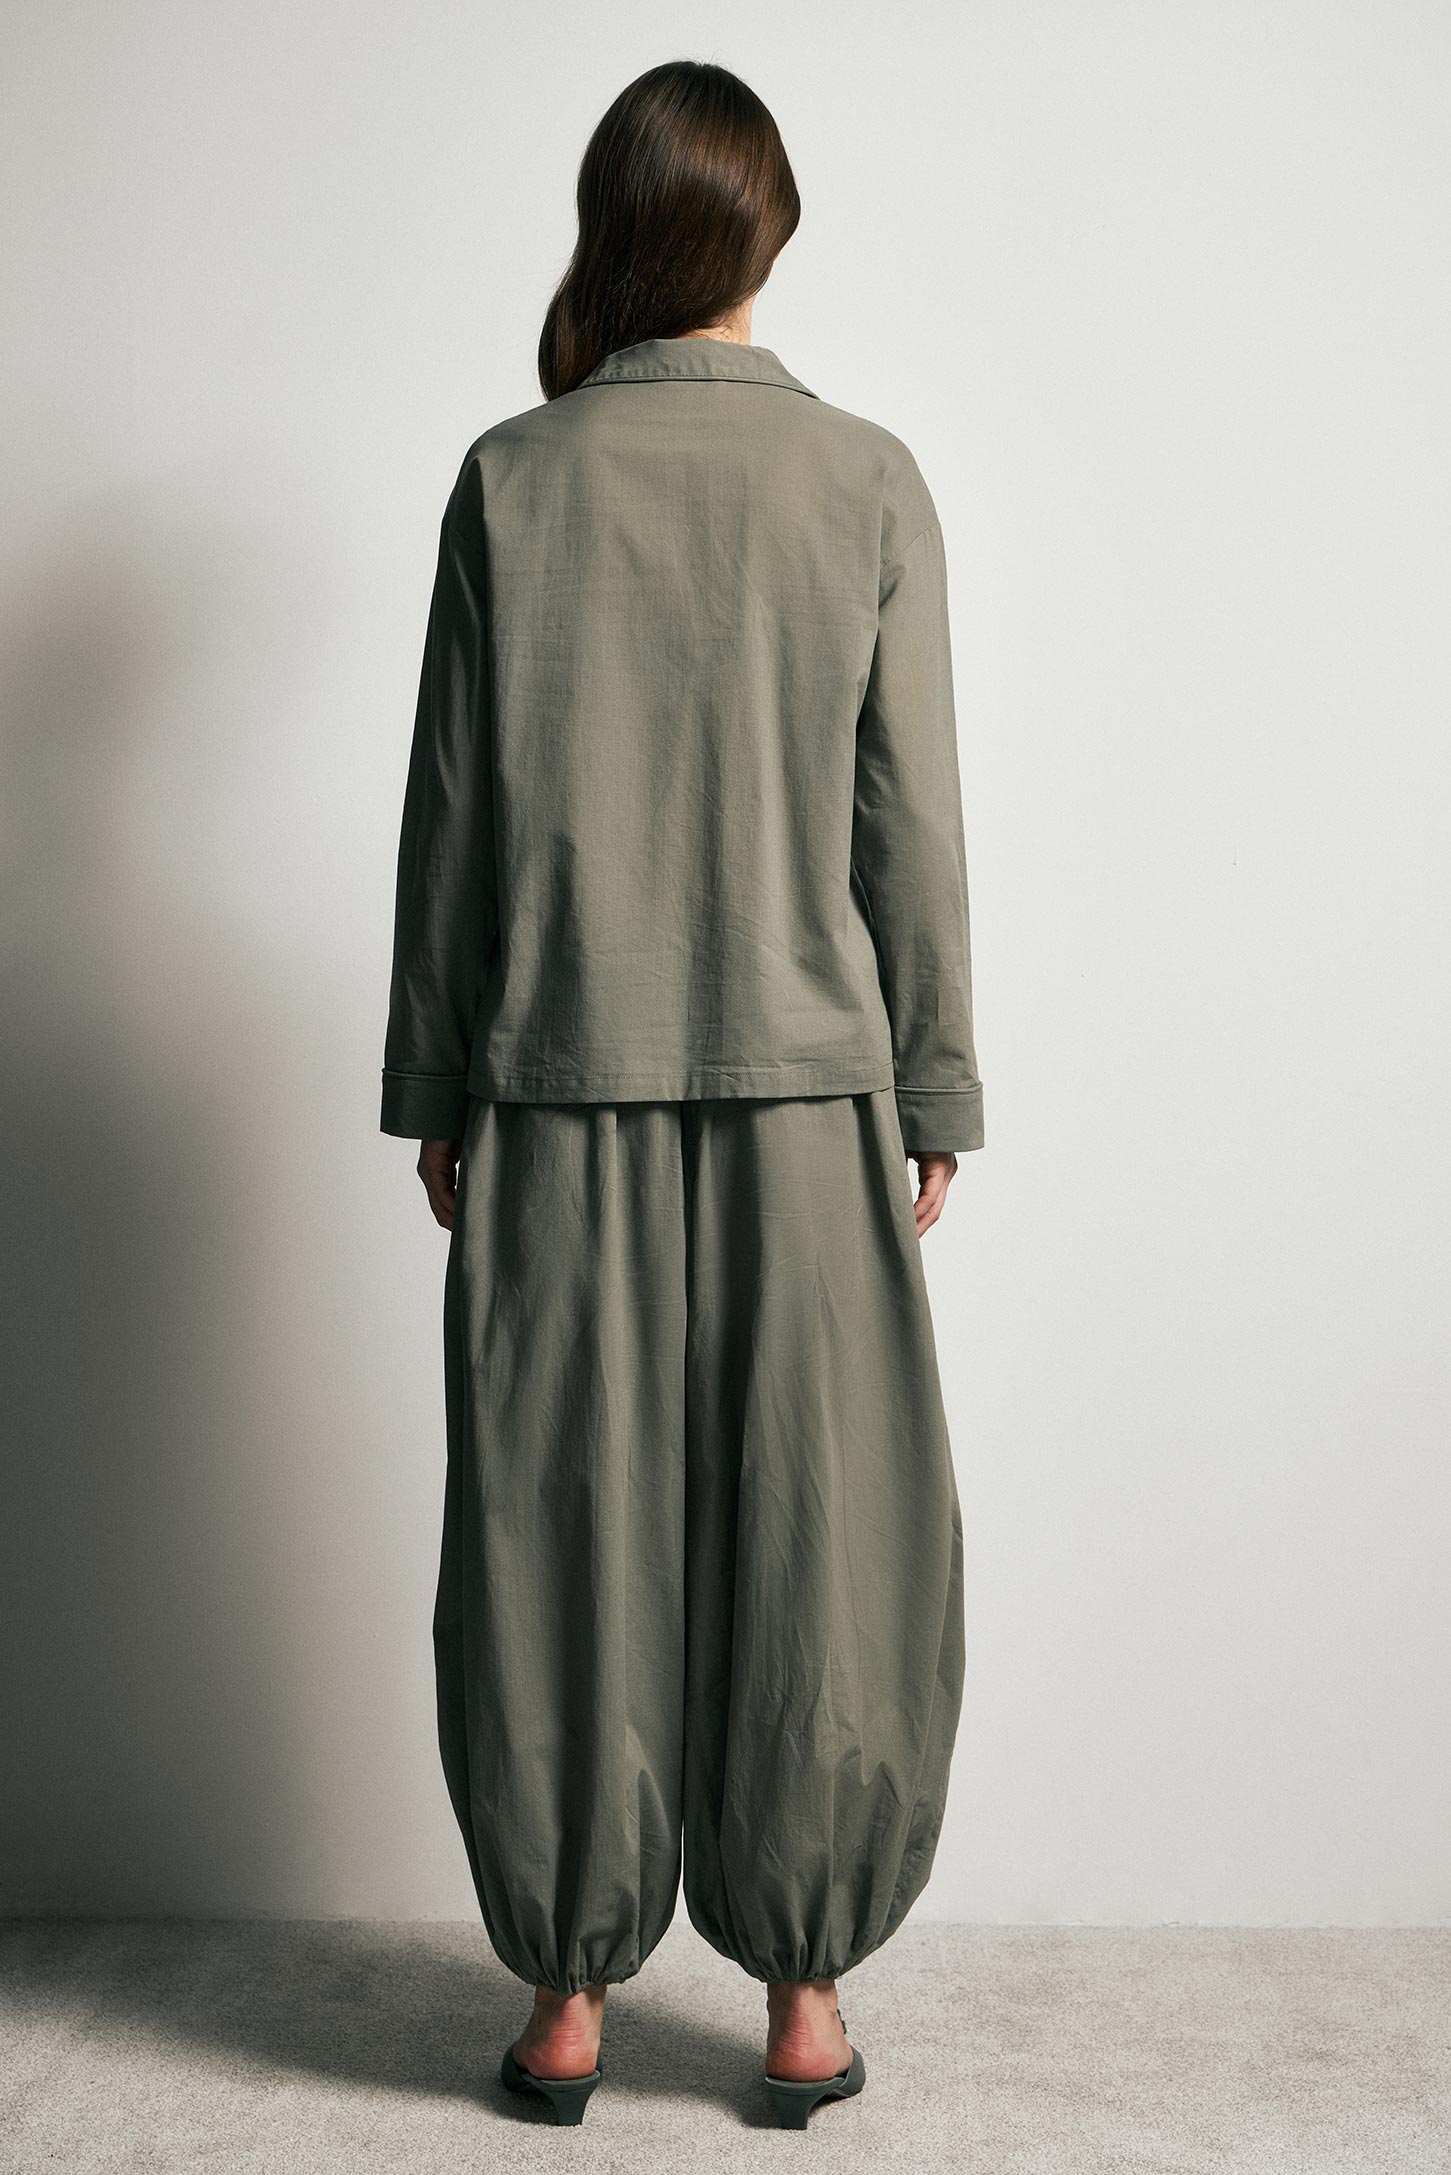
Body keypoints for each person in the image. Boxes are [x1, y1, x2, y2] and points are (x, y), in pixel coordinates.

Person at [380, 57, 984, 2130]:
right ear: (766, 233)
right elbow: (912, 826)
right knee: (828, 1536)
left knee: (560, 1525)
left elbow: (452, 821)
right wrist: (935, 1080)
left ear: (618, 224)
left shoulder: (512, 478)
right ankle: (803, 1998)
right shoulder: (869, 480)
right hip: (813, 1099)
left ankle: (566, 1995)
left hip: (558, 1085)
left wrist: (439, 1075)